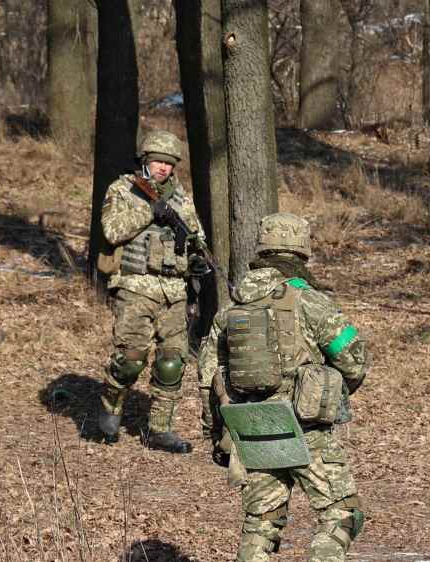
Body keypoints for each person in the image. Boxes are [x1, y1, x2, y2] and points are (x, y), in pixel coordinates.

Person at [198, 213, 369, 562]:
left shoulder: (232, 308)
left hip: (253, 425)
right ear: (302, 252)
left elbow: (207, 377)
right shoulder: (312, 302)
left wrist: (218, 435)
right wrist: (330, 390)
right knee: (342, 514)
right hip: (306, 429)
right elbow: (354, 361)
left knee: (261, 523)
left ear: (262, 251)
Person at [97, 129, 207, 453]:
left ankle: (160, 429)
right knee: (130, 360)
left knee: (171, 363)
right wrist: (149, 211)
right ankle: (111, 406)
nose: (163, 168)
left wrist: (196, 261)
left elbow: (195, 239)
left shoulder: (181, 198)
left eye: (169, 163)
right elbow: (111, 231)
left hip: (174, 291)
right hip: (135, 287)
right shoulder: (124, 189)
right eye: (158, 161)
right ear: (145, 160)